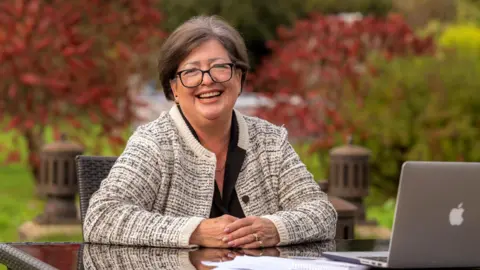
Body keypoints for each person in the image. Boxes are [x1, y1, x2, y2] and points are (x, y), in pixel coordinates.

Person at [83, 15, 337, 249]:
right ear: (174, 90)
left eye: (219, 67)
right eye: (191, 71)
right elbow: (101, 216)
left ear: (239, 77)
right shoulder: (154, 143)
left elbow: (321, 212)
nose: (207, 80)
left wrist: (276, 228)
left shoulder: (270, 141)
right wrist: (195, 232)